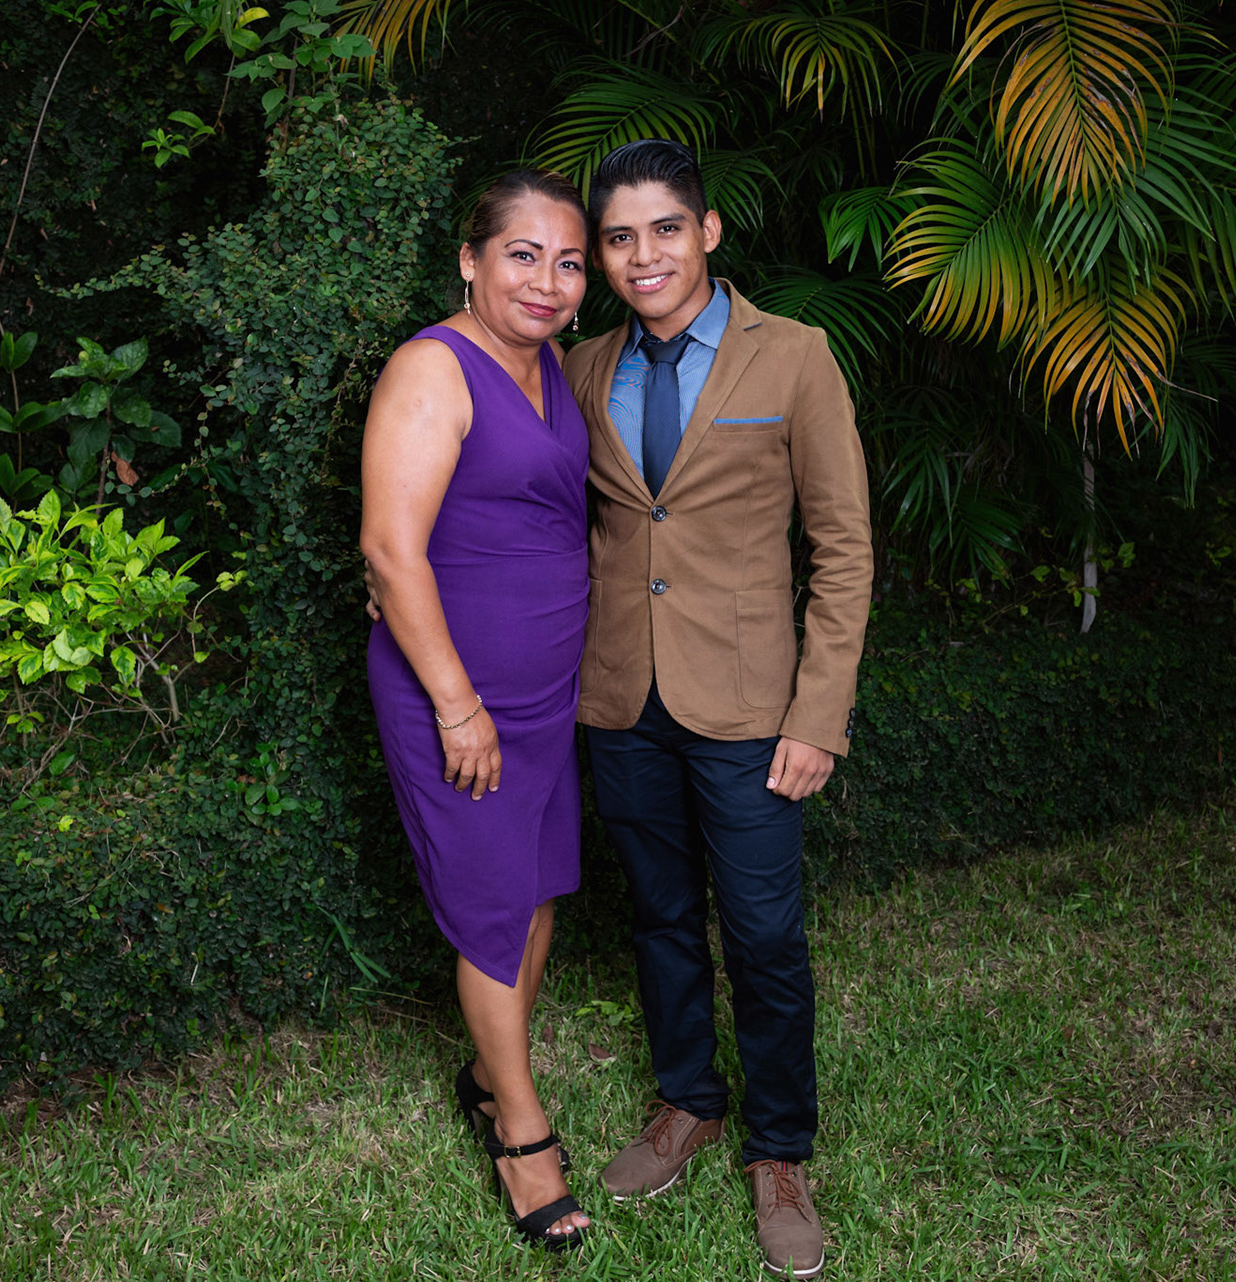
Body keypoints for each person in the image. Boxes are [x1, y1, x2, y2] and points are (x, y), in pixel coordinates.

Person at [567, 139, 873, 1279]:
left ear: (707, 231)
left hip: (751, 707)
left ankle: (779, 1148)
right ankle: (688, 1101)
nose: (642, 254)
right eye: (618, 237)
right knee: (658, 918)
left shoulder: (794, 357)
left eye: (664, 228)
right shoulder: (581, 368)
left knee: (763, 935)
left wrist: (818, 714)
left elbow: (843, 548)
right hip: (620, 697)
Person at [360, 168, 594, 1251]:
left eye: (569, 262)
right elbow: (390, 548)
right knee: (496, 906)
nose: (547, 280)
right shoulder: (432, 367)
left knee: (536, 892)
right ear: (470, 259)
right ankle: (522, 1134)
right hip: (460, 695)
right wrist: (457, 707)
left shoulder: (551, 366)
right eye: (523, 254)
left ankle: (488, 1074)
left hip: (543, 695)